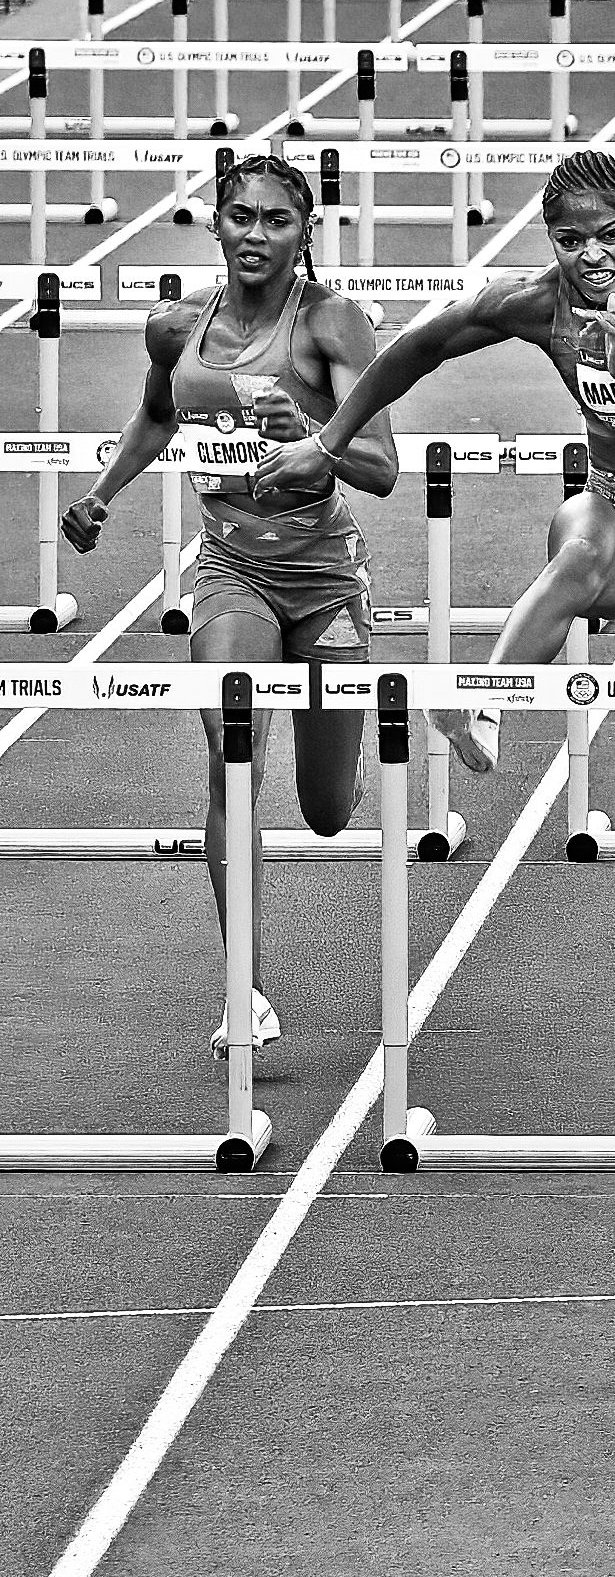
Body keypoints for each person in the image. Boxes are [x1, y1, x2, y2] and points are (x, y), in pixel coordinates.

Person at [307, 150, 615, 925]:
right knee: (579, 551)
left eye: (609, 235)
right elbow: (423, 345)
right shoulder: (541, 304)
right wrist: (332, 437)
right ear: (550, 240)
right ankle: (483, 704)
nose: (591, 257)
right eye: (570, 241)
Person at [61, 153, 397, 1052]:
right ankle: (241, 987)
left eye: (276, 221)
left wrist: (317, 436)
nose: (256, 234)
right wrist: (103, 494)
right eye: (240, 217)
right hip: (231, 571)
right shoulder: (175, 328)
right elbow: (159, 417)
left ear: (305, 232)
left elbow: (385, 469)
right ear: (215, 223)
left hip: (324, 579)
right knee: (232, 752)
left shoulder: (332, 325)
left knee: (328, 809)